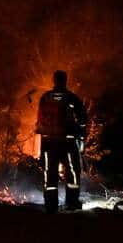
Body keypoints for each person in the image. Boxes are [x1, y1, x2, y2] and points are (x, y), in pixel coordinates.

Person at [35, 70, 88, 212]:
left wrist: (41, 147)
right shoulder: (72, 98)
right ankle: (71, 203)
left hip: (48, 142)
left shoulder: (45, 97)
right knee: (72, 173)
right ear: (65, 80)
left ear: (54, 80)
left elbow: (39, 122)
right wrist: (81, 138)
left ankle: (51, 205)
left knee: (49, 174)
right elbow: (83, 120)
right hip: (67, 143)